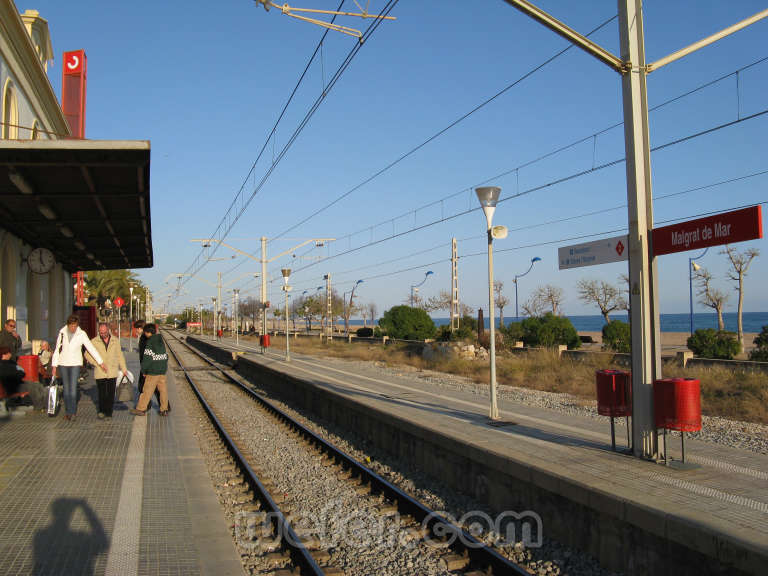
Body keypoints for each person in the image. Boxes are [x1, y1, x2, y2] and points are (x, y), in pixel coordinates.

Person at [52, 315, 106, 421]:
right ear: (68, 325)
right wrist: (54, 366)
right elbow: (57, 349)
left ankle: (72, 412)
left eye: (75, 326)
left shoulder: (81, 334)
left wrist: (100, 362)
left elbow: (90, 348)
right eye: (71, 326)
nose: (73, 328)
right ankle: (68, 412)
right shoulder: (62, 333)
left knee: (72, 388)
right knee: (66, 389)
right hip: (63, 363)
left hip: (75, 364)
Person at [85, 323, 126, 420]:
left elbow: (120, 355)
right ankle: (102, 411)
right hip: (100, 371)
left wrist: (124, 368)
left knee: (111, 393)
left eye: (104, 332)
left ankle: (109, 413)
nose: (102, 334)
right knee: (102, 393)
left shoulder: (115, 340)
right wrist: (96, 364)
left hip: (112, 370)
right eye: (101, 332)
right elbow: (87, 354)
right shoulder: (94, 341)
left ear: (108, 330)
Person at [130, 324, 168, 416]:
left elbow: (147, 358)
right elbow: (165, 355)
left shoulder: (150, 342)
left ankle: (141, 409)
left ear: (148, 332)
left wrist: (144, 370)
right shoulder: (160, 340)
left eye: (145, 332)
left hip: (153, 370)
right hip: (162, 370)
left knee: (147, 390)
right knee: (163, 390)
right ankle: (164, 409)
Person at [0, 346, 46, 411]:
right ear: (4, 354)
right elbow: (12, 375)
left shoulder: (11, 362)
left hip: (18, 382)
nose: (10, 354)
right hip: (12, 386)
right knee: (32, 388)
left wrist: (18, 374)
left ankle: (44, 404)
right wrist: (18, 374)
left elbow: (21, 372)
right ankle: (39, 406)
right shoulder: (3, 365)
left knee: (37, 385)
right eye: (9, 353)